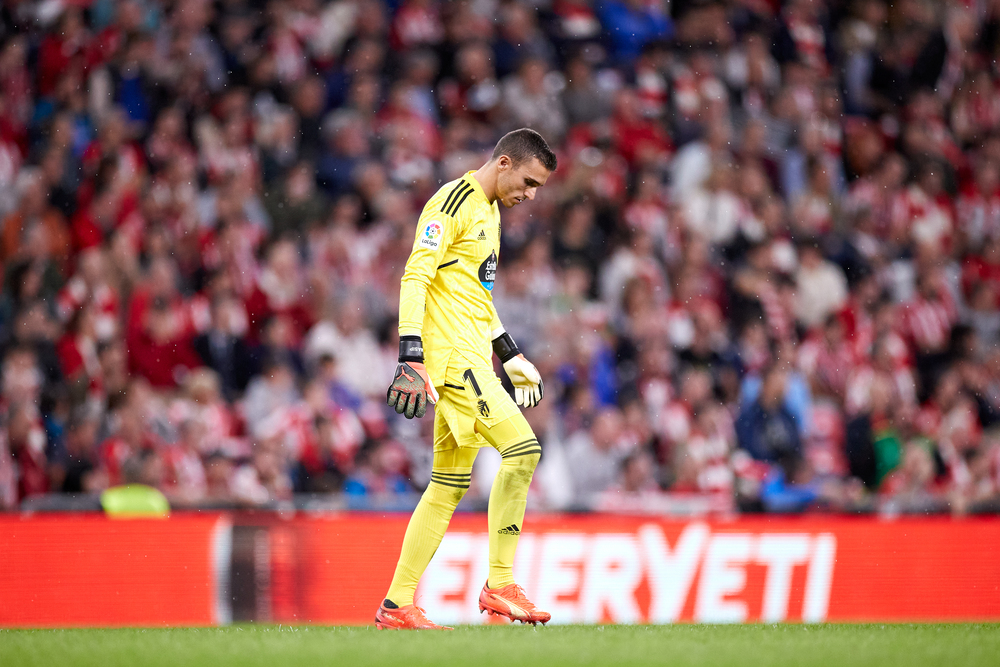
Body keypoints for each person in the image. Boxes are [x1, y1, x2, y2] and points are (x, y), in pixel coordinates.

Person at [378, 129, 555, 630]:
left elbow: (474, 297)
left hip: (475, 355)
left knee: (447, 486)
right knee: (523, 451)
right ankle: (500, 584)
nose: (531, 194)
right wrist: (410, 354)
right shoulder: (454, 202)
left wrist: (511, 353)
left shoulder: (493, 212)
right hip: (454, 362)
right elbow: (416, 276)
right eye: (528, 181)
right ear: (503, 163)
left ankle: (397, 605)